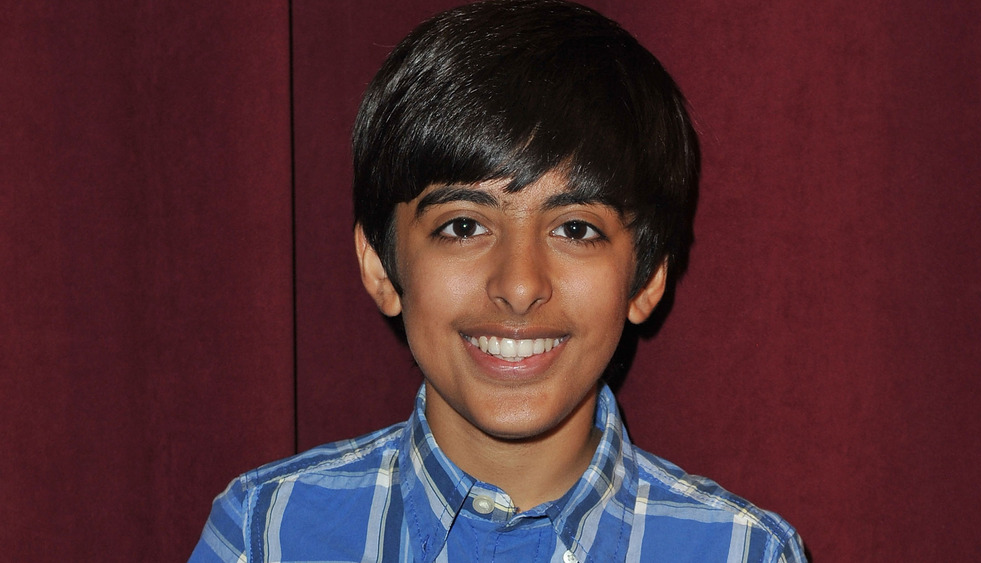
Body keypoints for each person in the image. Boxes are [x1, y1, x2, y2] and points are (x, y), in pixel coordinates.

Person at [190, 1, 807, 561]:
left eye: (576, 230)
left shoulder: (743, 553)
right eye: (463, 226)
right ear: (381, 265)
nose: (518, 286)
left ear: (646, 279)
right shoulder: (266, 533)